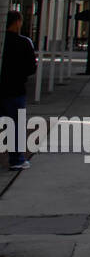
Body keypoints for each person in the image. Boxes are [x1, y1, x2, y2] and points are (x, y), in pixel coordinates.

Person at [2, 12, 37, 170]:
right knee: (15, 126)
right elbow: (31, 68)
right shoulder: (24, 42)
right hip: (16, 90)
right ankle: (16, 159)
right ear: (17, 22)